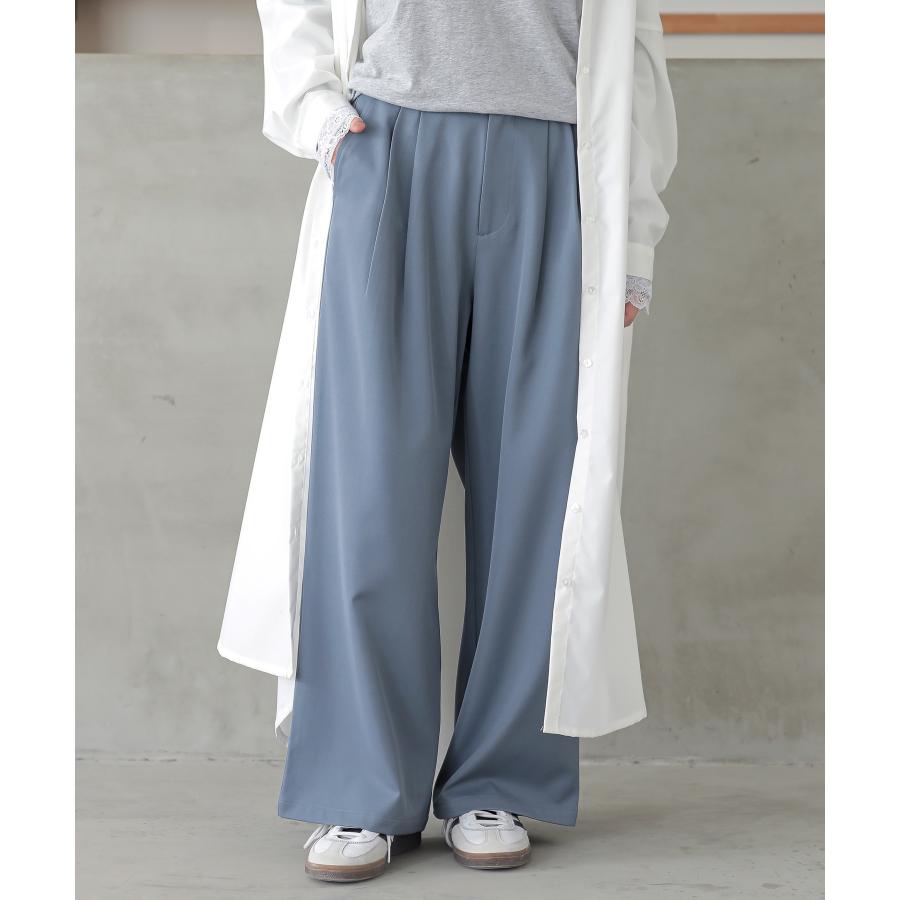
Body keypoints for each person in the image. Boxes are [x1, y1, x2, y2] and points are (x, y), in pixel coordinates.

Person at [219, 0, 677, 882]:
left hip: (558, 158)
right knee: (367, 490)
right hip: (391, 141)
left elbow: (639, 46)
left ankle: (497, 781)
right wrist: (319, 113)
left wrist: (635, 236)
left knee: (537, 499)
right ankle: (361, 787)